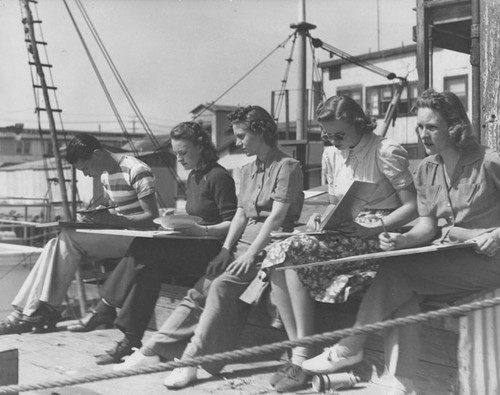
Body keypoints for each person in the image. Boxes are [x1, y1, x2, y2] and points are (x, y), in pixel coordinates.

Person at [301, 89, 500, 395]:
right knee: (402, 284)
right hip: (454, 258)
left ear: (455, 125)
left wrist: (497, 234)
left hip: (491, 259)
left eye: (431, 127)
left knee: (399, 273)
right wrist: (400, 239)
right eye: (420, 127)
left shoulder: (489, 162)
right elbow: (427, 225)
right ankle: (403, 383)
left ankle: (350, 345)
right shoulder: (427, 170)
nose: (423, 134)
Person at [114, 105, 304, 389]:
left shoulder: (287, 166)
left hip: (269, 247)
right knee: (196, 292)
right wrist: (226, 250)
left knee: (220, 288)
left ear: (261, 132)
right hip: (241, 246)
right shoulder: (247, 169)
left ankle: (189, 363)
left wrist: (250, 253)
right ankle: (151, 350)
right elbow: (240, 215)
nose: (237, 142)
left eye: (242, 135)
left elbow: (276, 218)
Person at [261, 95, 418, 392]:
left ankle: (302, 354)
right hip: (344, 234)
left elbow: (413, 207)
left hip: (377, 237)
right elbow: (337, 204)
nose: (333, 141)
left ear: (359, 123)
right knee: (278, 252)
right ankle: (300, 352)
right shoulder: (332, 154)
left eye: (340, 134)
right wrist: (321, 218)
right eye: (327, 135)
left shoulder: (385, 150)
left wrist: (377, 226)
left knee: (291, 253)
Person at [70, 122, 237, 365]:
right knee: (149, 267)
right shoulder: (194, 176)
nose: (179, 159)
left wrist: (201, 229)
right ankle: (130, 341)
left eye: (183, 153)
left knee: (146, 248)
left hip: (211, 251)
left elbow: (233, 223)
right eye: (176, 154)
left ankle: (103, 309)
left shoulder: (219, 177)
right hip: (193, 245)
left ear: (200, 147)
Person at [0, 133, 159, 335]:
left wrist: (112, 220)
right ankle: (25, 312)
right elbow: (114, 208)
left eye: (85, 168)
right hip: (122, 233)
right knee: (52, 244)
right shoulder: (105, 174)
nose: (86, 175)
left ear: (97, 154)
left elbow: (152, 218)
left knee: (67, 238)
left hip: (140, 239)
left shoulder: (137, 170)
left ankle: (44, 310)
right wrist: (92, 215)